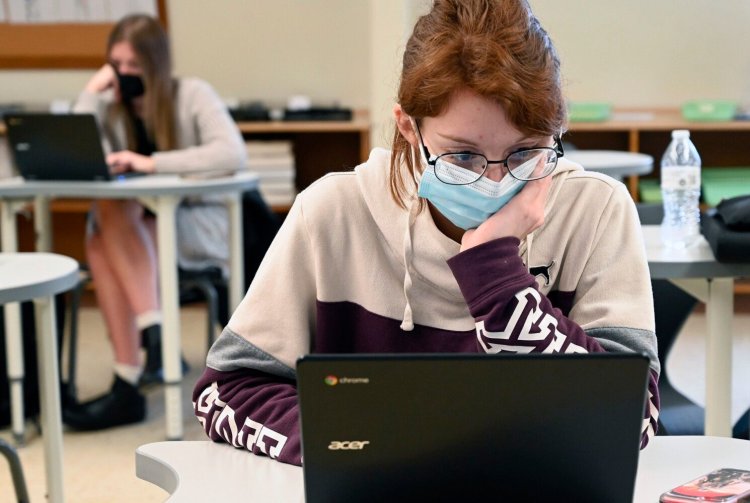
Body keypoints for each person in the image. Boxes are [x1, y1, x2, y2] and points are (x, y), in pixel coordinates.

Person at [193, 0, 660, 466]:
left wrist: (496, 282)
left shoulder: (596, 209)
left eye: (524, 153)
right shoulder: (331, 213)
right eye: (462, 156)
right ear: (408, 128)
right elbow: (227, 390)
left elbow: (631, 418)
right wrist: (352, 445)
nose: (495, 181)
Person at [63, 14, 247, 430]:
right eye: (116, 65)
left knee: (104, 231)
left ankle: (128, 379)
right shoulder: (113, 110)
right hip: (137, 232)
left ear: (156, 64)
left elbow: (230, 153)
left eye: (133, 66)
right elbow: (82, 157)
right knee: (103, 223)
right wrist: (93, 92)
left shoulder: (192, 94)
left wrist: (149, 163)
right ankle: (150, 342)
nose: (124, 75)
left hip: (199, 226)